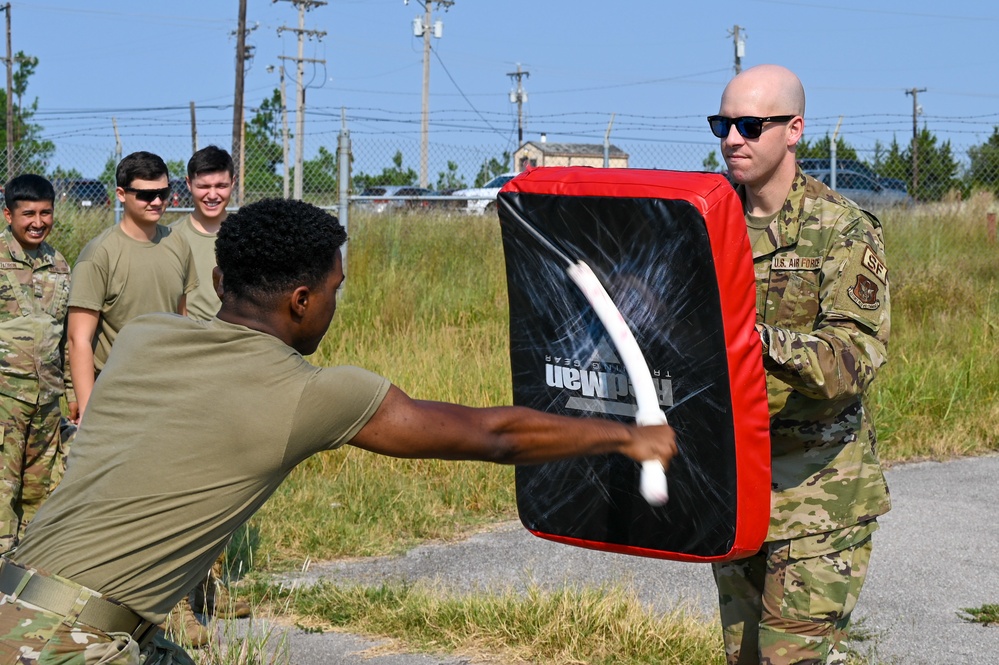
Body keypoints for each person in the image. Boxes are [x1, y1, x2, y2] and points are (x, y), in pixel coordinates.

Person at [0, 198, 678, 664]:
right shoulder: (311, 393)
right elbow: (493, 435)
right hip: (66, 642)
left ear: (217, 277)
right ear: (302, 300)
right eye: (334, 287)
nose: (334, 300)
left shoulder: (147, 337)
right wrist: (625, 437)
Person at [706, 64, 891, 664]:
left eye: (752, 125)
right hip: (735, 489)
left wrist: (749, 340)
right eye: (724, 124)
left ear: (794, 131)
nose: (734, 138)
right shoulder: (705, 223)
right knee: (744, 658)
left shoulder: (841, 230)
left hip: (817, 494)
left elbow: (851, 360)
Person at [66, 151, 197, 419]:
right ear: (121, 194)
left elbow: (181, 317)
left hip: (168, 388)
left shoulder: (178, 243)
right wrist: (88, 412)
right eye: (146, 195)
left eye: (163, 192)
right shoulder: (99, 255)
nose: (158, 201)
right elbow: (79, 339)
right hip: (117, 394)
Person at [0, 174, 76, 555]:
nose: (37, 221)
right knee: (1, 495)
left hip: (45, 404)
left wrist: (72, 394)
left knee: (39, 492)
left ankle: (25, 582)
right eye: (28, 213)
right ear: (8, 214)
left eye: (45, 213)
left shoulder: (58, 265)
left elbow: (62, 338)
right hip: (5, 403)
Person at [170, 145, 233, 322]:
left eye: (221, 186)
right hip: (188, 338)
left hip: (237, 340)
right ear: (188, 183)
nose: (212, 195)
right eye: (203, 186)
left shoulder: (249, 234)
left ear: (233, 182)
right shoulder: (171, 237)